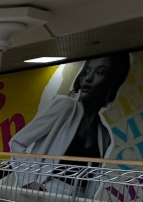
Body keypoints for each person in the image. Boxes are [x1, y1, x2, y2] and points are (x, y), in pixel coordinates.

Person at [9, 54, 131, 193]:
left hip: (77, 199)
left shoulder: (104, 135)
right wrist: (30, 181)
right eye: (86, 72)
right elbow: (18, 142)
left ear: (112, 81)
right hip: (46, 189)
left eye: (100, 72)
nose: (88, 78)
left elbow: (93, 175)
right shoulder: (66, 107)